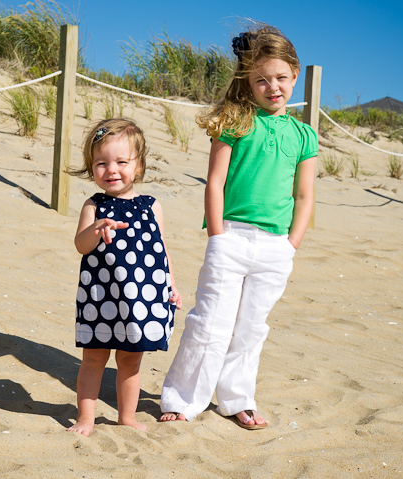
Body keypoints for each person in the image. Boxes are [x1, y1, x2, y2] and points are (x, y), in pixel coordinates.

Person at [160, 24, 317, 429]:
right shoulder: (235, 121)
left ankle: (236, 399)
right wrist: (217, 235)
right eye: (262, 79)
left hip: (276, 246)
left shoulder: (304, 135)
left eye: (281, 78)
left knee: (251, 327)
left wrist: (292, 243)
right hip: (230, 237)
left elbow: (304, 196)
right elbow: (214, 181)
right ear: (248, 81)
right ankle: (183, 400)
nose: (273, 87)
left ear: (295, 75)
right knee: (210, 321)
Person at [67, 118, 182, 436]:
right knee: (93, 358)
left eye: (121, 162)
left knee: (131, 361)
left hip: (142, 296)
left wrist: (172, 285)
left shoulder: (151, 206)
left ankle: (127, 416)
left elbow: (161, 249)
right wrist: (96, 228)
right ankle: (86, 418)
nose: (111, 170)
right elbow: (81, 245)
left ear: (139, 165)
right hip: (102, 296)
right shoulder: (94, 205)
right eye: (101, 163)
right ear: (92, 169)